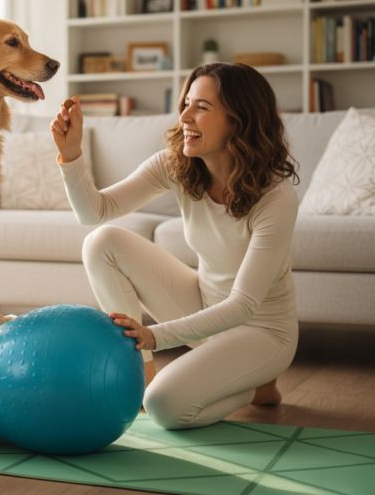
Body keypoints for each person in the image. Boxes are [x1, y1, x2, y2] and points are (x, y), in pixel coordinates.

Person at [50, 62, 300, 430]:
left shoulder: (276, 197)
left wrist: (156, 335)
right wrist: (71, 155)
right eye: (186, 102)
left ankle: (257, 388)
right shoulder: (177, 164)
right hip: (205, 306)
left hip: (261, 332)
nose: (184, 116)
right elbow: (95, 212)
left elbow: (244, 304)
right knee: (101, 242)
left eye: (201, 107)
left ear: (239, 119)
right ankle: (139, 373)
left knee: (165, 408)